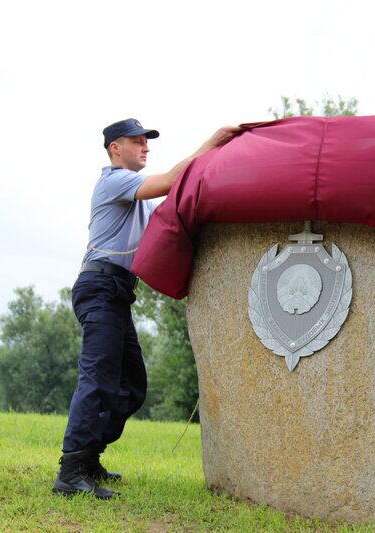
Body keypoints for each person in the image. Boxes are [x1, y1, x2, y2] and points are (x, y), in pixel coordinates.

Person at [52, 118, 242, 499]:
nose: (145, 147)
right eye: (137, 141)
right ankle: (70, 473)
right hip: (100, 288)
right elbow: (172, 179)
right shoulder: (114, 182)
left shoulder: (136, 198)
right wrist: (215, 141)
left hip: (117, 293)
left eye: (146, 142)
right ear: (114, 148)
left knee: (132, 385)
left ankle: (88, 458)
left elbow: (173, 207)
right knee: (98, 379)